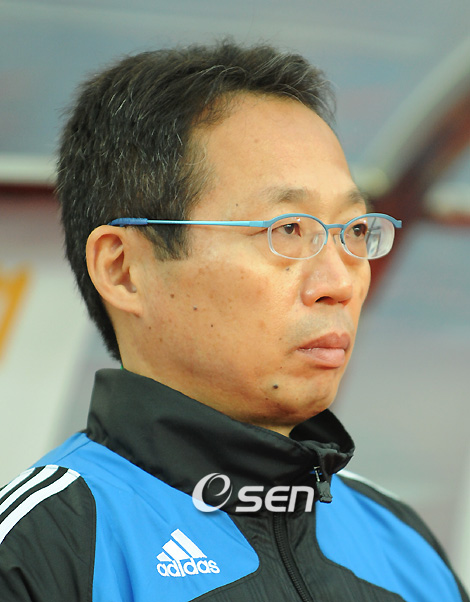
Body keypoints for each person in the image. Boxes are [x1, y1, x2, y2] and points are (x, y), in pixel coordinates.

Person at [0, 40, 467, 602]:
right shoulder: (40, 554)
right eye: (287, 230)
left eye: (355, 230)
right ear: (123, 269)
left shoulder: (405, 548)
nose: (340, 284)